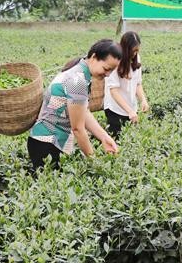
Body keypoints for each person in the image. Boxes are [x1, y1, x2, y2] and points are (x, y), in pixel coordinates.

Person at [27, 39, 121, 171]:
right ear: (94, 57)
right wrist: (94, 163)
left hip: (46, 142)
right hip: (46, 143)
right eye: (106, 69)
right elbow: (78, 129)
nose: (107, 74)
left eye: (111, 71)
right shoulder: (78, 81)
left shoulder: (79, 73)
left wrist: (104, 137)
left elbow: (83, 112)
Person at [103, 31, 150, 138]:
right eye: (133, 51)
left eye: (137, 50)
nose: (135, 53)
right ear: (126, 49)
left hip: (131, 107)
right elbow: (114, 91)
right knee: (116, 139)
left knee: (129, 139)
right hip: (115, 108)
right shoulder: (115, 60)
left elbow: (137, 83)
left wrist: (143, 100)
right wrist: (129, 111)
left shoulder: (136, 58)